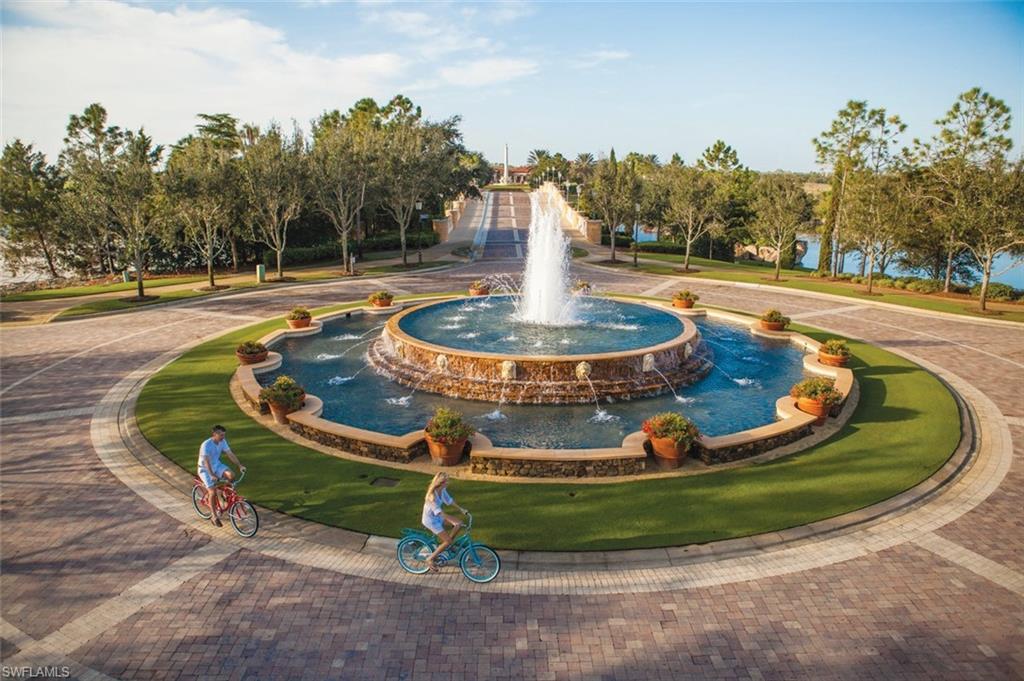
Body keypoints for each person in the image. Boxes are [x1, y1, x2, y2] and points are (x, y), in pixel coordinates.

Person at [197, 425, 245, 527]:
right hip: (205, 469)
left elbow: (230, 453)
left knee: (231, 476)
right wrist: (212, 475)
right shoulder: (206, 445)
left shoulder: (222, 441)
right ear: (214, 434)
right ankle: (214, 516)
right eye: (221, 435)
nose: (223, 437)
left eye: (224, 435)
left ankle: (224, 495)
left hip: (216, 465)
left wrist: (239, 465)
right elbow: (206, 462)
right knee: (212, 492)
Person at [422, 472, 467, 571]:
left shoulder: (442, 490)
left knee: (459, 524)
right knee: (447, 540)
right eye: (447, 481)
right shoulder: (431, 496)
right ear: (441, 483)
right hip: (431, 520)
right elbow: (440, 514)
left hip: (437, 517)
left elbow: (449, 500)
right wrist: (451, 521)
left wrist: (461, 509)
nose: (448, 482)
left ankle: (447, 545)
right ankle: (430, 559)